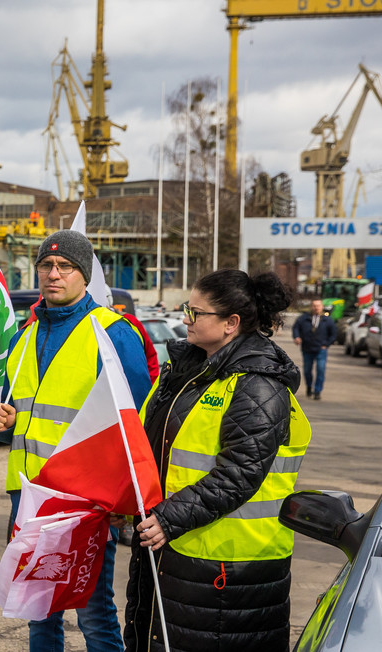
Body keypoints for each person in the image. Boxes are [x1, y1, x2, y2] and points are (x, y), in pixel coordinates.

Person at [0, 229, 150, 652]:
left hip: (85, 502)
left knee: (94, 615)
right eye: (46, 265)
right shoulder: (23, 337)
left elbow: (136, 426)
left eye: (65, 267)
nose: (53, 274)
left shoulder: (113, 332)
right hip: (27, 497)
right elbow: (14, 411)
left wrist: (122, 504)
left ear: (85, 274)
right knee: (37, 609)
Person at [126, 270, 307, 651]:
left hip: (230, 567)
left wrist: (168, 518)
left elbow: (239, 473)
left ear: (230, 324)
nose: (185, 321)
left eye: (195, 313)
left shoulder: (258, 385)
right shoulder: (191, 373)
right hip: (178, 549)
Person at [291, 298, 335, 400]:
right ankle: (309, 386)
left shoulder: (327, 320)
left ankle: (317, 391)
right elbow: (296, 328)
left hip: (321, 349)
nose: (316, 308)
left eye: (318, 306)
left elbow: (333, 334)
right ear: (311, 307)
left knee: (320, 369)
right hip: (307, 348)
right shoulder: (304, 318)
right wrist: (297, 337)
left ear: (322, 307)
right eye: (314, 306)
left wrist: (326, 344)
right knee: (307, 370)